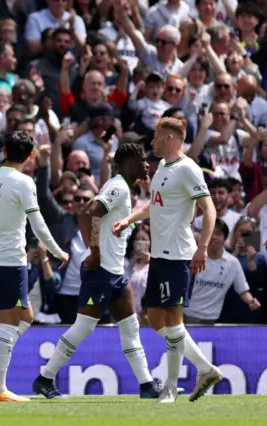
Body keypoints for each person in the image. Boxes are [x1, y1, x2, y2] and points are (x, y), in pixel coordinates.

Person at [32, 143, 162, 399]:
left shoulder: (123, 187)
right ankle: (45, 379)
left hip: (115, 272)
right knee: (83, 328)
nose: (147, 164)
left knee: (130, 327)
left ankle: (147, 386)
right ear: (129, 163)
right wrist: (94, 251)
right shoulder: (118, 186)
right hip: (101, 271)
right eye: (142, 159)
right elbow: (89, 212)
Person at [113, 117, 223, 403]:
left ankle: (171, 388)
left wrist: (202, 247)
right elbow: (155, 204)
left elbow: (208, 209)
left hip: (178, 255)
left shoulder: (188, 169)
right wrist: (130, 219)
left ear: (170, 139)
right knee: (155, 318)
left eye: (156, 137)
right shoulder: (162, 167)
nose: (152, 142)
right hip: (159, 257)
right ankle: (205, 368)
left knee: (173, 322)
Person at [0, 131, 69, 402]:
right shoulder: (24, 183)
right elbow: (38, 223)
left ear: (5, 152)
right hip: (11, 261)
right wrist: (57, 251)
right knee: (9, 324)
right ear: (30, 155)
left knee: (26, 316)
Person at [184, 219, 260, 323]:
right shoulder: (193, 257)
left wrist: (251, 301)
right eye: (210, 233)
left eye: (218, 234)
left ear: (225, 239)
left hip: (211, 319)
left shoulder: (233, 263)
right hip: (187, 315)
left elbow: (242, 290)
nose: (214, 237)